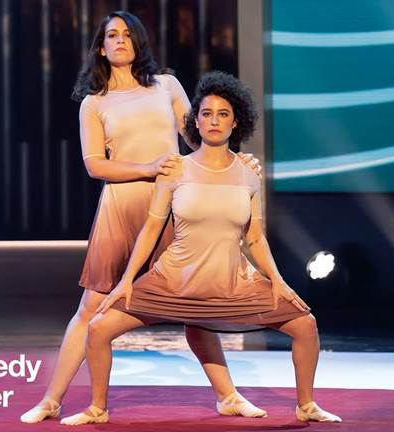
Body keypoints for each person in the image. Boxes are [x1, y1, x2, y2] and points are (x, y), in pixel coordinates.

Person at [20, 12, 264, 423]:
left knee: (192, 306)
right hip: (120, 208)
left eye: (127, 35)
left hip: (171, 207)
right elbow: (95, 165)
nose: (119, 41)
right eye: (111, 35)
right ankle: (52, 400)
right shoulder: (94, 104)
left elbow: (198, 135)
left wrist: (235, 161)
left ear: (139, 43)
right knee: (92, 307)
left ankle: (228, 396)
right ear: (101, 46)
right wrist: (149, 166)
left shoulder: (165, 85)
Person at [60, 71, 342, 425]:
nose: (213, 121)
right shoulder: (175, 169)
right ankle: (97, 408)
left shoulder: (249, 173)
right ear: (195, 120)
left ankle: (306, 405)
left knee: (305, 325)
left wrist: (279, 282)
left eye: (222, 114)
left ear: (236, 121)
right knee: (99, 326)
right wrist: (127, 280)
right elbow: (151, 229)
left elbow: (254, 238)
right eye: (206, 113)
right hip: (173, 280)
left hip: (232, 282)